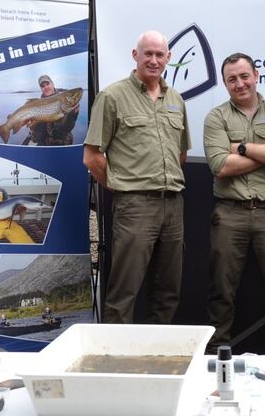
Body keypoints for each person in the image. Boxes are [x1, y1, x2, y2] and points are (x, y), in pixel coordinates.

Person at [83, 30, 190, 324]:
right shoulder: (112, 97)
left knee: (168, 290)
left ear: (168, 58)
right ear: (135, 55)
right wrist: (122, 186)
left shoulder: (176, 100)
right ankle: (115, 352)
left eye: (160, 55)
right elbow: (92, 157)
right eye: (148, 54)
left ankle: (158, 349)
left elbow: (180, 154)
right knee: (124, 292)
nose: (154, 60)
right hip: (135, 207)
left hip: (173, 205)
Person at [203, 53, 265, 354]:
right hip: (229, 214)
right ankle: (216, 359)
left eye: (244, 76)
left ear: (256, 75)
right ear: (225, 83)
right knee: (221, 292)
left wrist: (243, 148)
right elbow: (220, 166)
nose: (240, 83)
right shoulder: (216, 117)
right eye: (232, 79)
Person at [22, 74, 80, 146]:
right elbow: (38, 133)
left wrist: (72, 115)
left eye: (47, 84)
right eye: (43, 86)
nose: (46, 87)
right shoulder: (37, 104)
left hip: (60, 140)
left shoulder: (64, 100)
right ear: (41, 89)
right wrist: (32, 125)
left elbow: (66, 128)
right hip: (44, 140)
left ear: (52, 84)